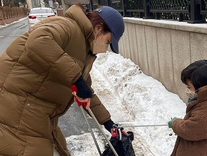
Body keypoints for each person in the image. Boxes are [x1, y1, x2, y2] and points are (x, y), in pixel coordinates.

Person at [0, 4, 125, 156]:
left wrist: (109, 123)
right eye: (107, 42)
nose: (105, 49)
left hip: (38, 112)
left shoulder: (83, 49)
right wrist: (77, 80)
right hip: (16, 109)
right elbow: (38, 40)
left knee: (60, 150)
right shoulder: (68, 26)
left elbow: (86, 93)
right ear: (99, 29)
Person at [168, 60, 207, 156]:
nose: (187, 90)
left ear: (203, 88)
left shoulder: (206, 112)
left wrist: (175, 123)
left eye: (189, 87)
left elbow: (188, 130)